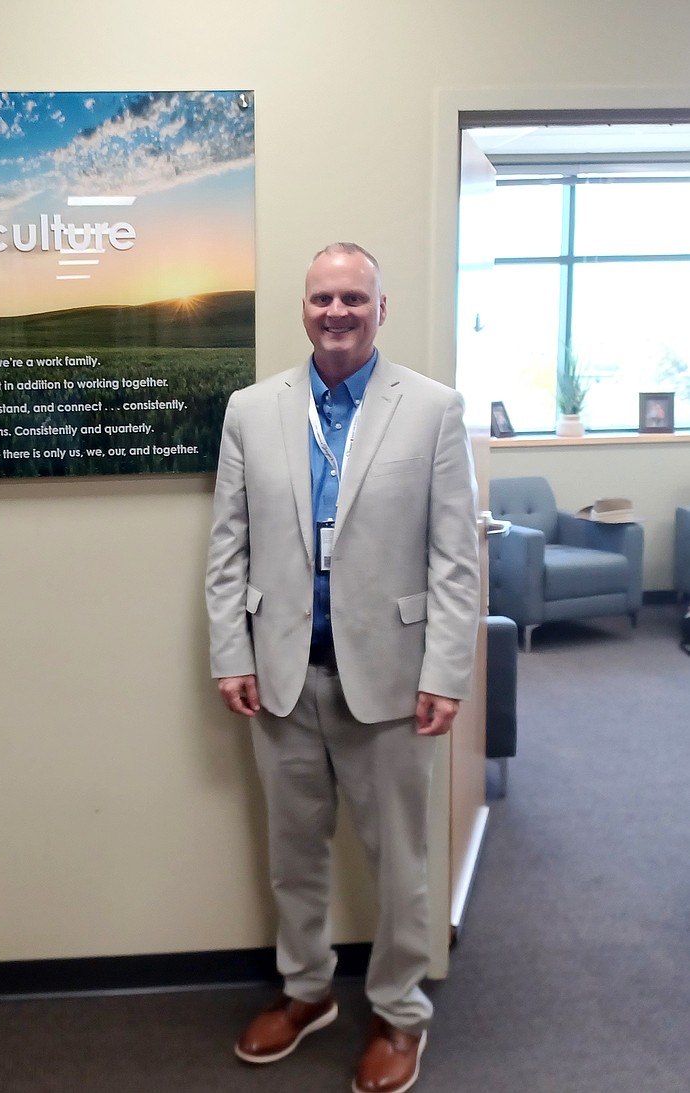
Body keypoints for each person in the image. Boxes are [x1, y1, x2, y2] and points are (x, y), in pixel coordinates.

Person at [205, 243, 480, 1093]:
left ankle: (399, 1012)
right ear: (304, 308)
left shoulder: (432, 409)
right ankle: (307, 991)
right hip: (282, 678)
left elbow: (456, 557)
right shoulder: (252, 410)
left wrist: (445, 672)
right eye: (323, 298)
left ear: (380, 309)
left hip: (394, 680)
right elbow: (226, 547)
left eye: (354, 298)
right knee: (294, 856)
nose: (337, 312)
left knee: (399, 863)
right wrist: (231, 652)